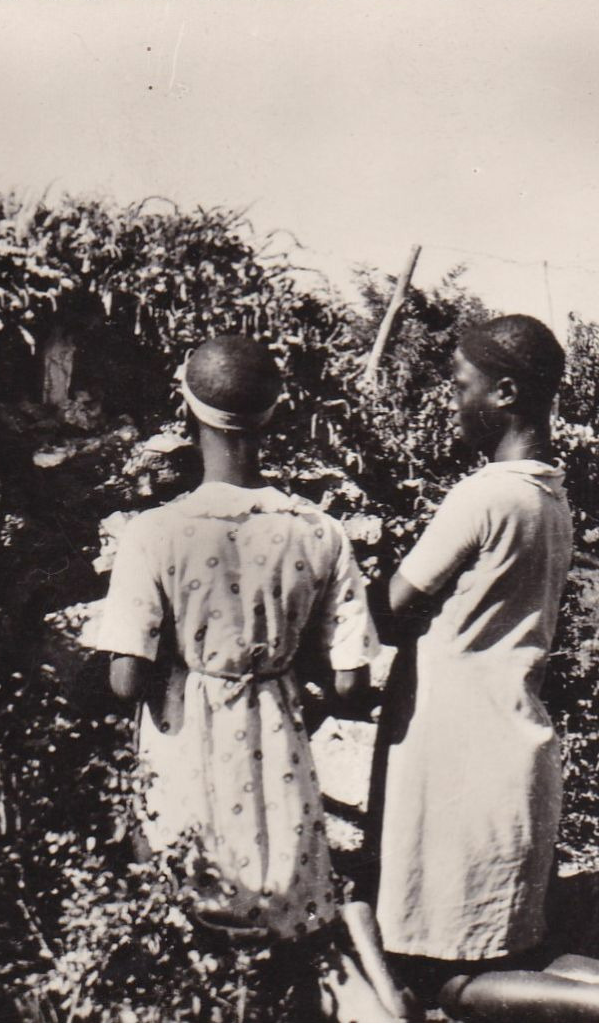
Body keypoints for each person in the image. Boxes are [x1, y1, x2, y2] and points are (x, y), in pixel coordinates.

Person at [82, 335, 381, 950]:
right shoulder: (318, 532)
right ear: (274, 415)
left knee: (189, 904)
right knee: (281, 896)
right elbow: (352, 684)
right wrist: (284, 682)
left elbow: (124, 681)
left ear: (186, 409)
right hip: (279, 739)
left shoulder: (155, 534)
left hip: (185, 733)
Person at [375, 314, 574, 996]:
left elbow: (391, 604)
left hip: (457, 754)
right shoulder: (548, 496)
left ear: (506, 392)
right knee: (493, 949)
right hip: (506, 740)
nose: (453, 400)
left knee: (447, 975)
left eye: (462, 384)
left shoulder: (484, 494)